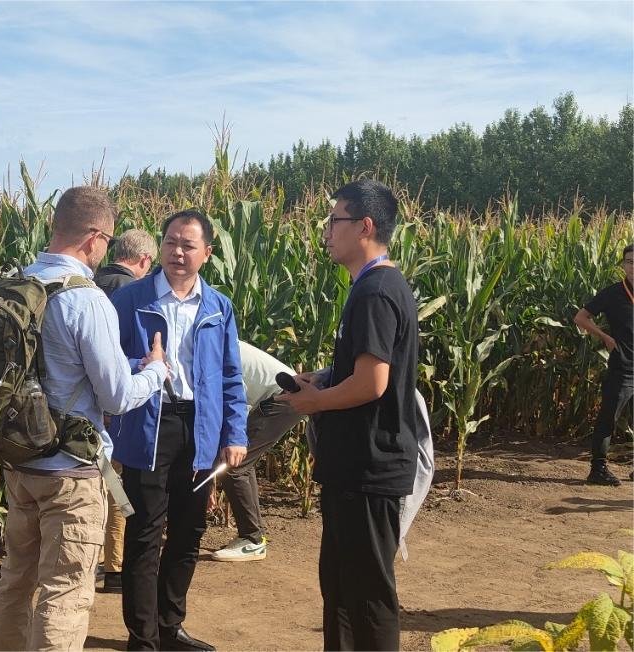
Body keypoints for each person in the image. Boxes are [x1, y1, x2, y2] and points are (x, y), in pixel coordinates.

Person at [0, 186, 168, 651]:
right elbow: (116, 397)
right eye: (107, 240)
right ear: (94, 237)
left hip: (20, 461)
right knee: (65, 592)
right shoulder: (85, 300)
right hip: (71, 470)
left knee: (15, 581)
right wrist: (154, 372)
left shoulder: (15, 285)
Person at [276, 179, 421, 651]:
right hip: (354, 469)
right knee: (340, 589)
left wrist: (314, 402)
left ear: (365, 226)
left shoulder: (376, 291)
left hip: (368, 469)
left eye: (334, 220)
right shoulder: (372, 286)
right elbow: (366, 370)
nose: (327, 231)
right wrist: (324, 378)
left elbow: (372, 384)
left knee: (367, 597)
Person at [110, 209, 249, 652]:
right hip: (149, 426)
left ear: (207, 253)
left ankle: (170, 628)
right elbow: (105, 361)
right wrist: (141, 365)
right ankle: (143, 638)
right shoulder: (131, 300)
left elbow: (230, 376)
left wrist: (235, 434)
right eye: (170, 242)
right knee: (145, 534)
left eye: (188, 245)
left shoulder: (218, 307)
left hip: (200, 427)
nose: (177, 252)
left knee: (189, 533)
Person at [93, 228, 157, 593]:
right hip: (120, 404)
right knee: (117, 487)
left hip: (82, 405)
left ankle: (94, 559)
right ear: (145, 260)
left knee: (94, 483)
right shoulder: (131, 293)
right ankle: (115, 566)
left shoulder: (88, 283)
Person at [211, 341, 304, 562]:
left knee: (235, 464)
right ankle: (253, 536)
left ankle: (252, 540)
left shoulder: (214, 348)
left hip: (282, 397)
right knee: (240, 462)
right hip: (280, 395)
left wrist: (233, 441)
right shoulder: (214, 341)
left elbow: (237, 396)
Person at [573, 243, 633, 486]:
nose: (633, 266)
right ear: (623, 265)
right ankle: (598, 470)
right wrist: (605, 337)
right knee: (608, 418)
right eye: (629, 262)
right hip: (622, 368)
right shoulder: (613, 293)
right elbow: (580, 317)